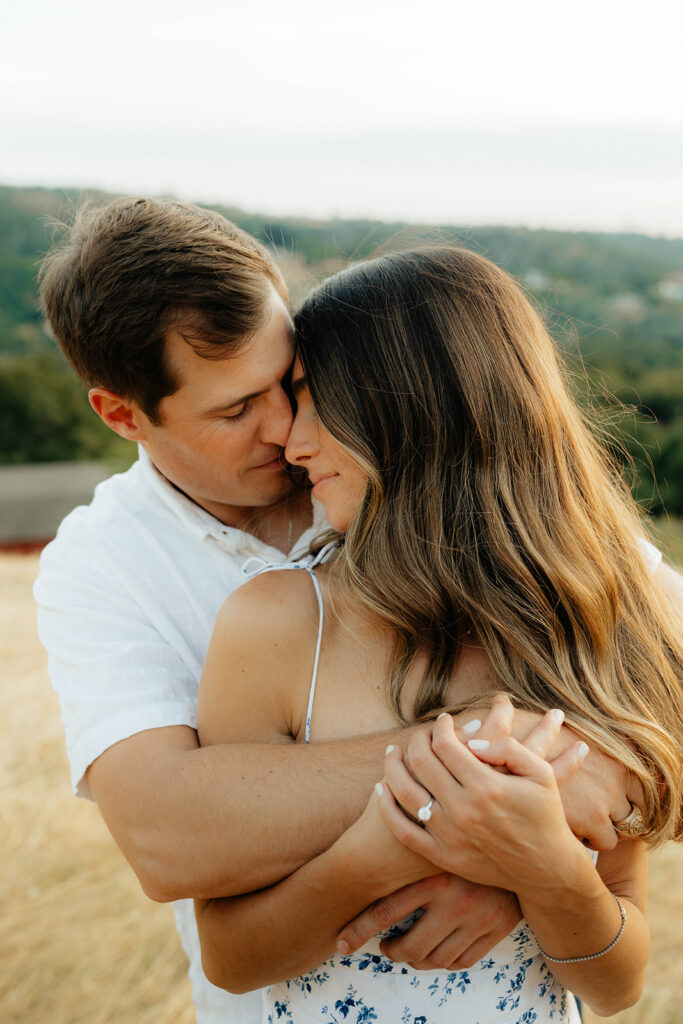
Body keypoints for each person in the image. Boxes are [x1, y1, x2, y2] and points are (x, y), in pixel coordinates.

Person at [194, 246, 683, 1022]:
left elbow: (615, 987)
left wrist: (545, 873)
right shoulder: (280, 624)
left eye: (315, 401)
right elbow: (229, 958)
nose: (292, 442)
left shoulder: (578, 633)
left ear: (414, 413)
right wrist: (375, 858)